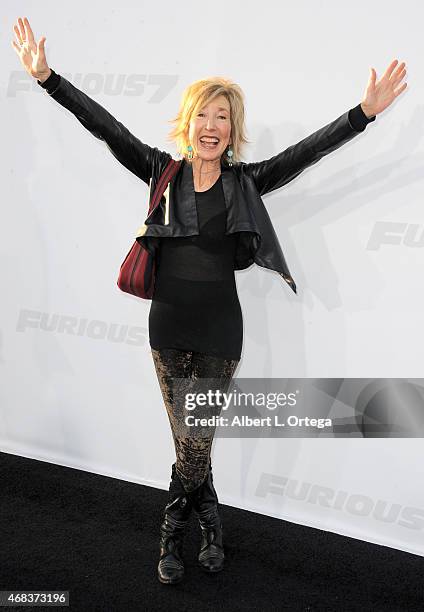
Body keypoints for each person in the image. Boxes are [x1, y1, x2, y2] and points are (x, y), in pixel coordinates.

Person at [12, 16, 407, 586]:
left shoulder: (246, 182)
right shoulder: (159, 172)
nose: (212, 124)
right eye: (205, 113)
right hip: (167, 327)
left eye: (224, 117)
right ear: (189, 121)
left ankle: (177, 528)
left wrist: (362, 114)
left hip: (222, 331)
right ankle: (207, 524)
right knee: (191, 440)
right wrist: (49, 79)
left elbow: (306, 152)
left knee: (194, 438)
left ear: (233, 130)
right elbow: (104, 125)